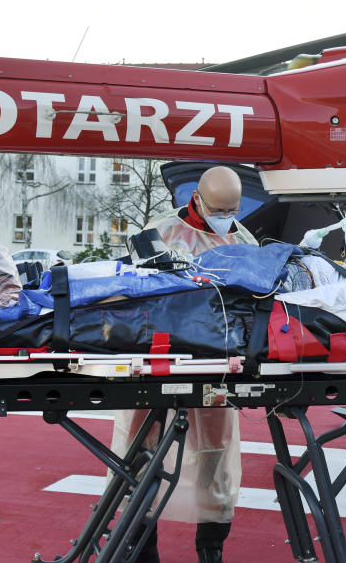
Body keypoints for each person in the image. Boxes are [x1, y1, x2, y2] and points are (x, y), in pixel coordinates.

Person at [112, 166, 256, 563]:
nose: (226, 217)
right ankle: (141, 542)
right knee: (140, 446)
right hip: (158, 354)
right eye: (219, 209)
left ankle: (211, 544)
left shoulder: (243, 238)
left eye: (233, 209)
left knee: (217, 449)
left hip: (216, 360)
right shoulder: (159, 232)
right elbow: (129, 289)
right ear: (197, 199)